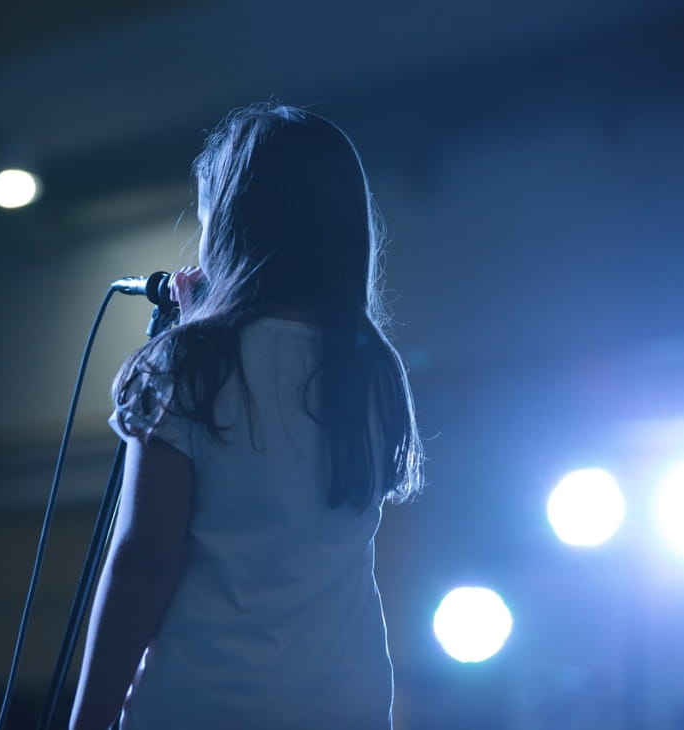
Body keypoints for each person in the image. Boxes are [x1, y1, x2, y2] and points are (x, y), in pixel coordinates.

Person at [69, 101, 423, 730]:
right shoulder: (372, 371)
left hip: (209, 703)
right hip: (347, 706)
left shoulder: (185, 365)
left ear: (231, 225)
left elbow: (145, 561)